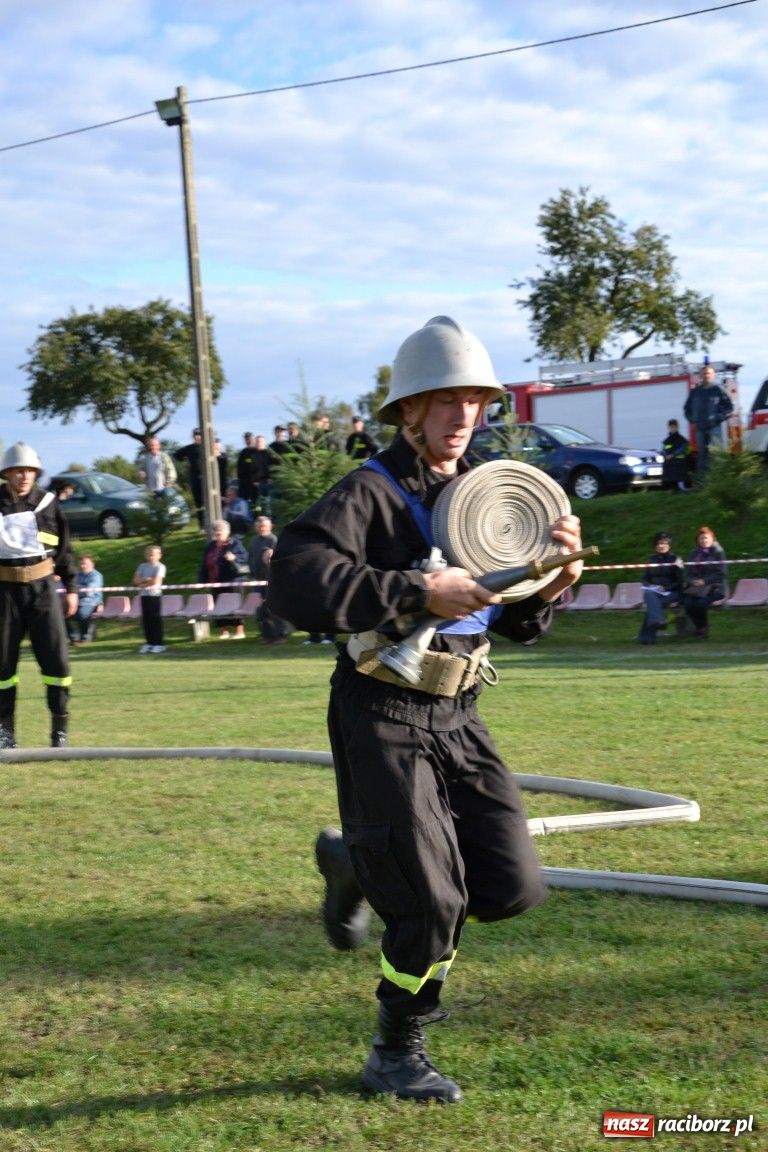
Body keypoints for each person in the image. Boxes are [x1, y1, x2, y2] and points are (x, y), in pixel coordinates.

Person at [267, 315, 585, 1103]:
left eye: (475, 402)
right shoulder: (368, 493)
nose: (462, 418)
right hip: (381, 708)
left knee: (509, 886)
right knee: (432, 899)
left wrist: (550, 580)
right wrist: (415, 589)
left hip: (459, 712)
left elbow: (511, 617)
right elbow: (295, 582)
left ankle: (356, 862)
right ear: (408, 410)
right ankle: (395, 1049)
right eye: (445, 402)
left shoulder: (487, 494)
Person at [0, 442, 77, 748]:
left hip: (43, 590)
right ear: (6, 473)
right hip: (4, 593)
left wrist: (71, 588)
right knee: (2, 667)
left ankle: (59, 729)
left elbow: (65, 548)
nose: (24, 476)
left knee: (56, 662)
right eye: (18, 471)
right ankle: (5, 731)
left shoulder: (48, 503)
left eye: (30, 471)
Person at [200, 519, 249, 639]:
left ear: (227, 532)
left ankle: (239, 631)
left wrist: (234, 557)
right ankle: (224, 631)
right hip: (215, 581)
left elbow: (245, 557)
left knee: (235, 605)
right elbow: (204, 564)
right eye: (216, 531)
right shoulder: (210, 546)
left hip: (233, 581)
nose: (218, 533)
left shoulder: (235, 543)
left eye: (220, 531)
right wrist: (202, 580)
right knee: (219, 606)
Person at [683, 364, 733, 476]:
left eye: (709, 373)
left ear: (713, 375)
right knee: (702, 456)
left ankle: (720, 480)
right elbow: (686, 409)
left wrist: (718, 418)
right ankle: (703, 483)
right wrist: (693, 420)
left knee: (717, 454)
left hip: (714, 427)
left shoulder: (718, 390)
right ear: (700, 375)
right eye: (704, 373)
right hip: (700, 429)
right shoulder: (695, 392)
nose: (706, 376)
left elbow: (729, 408)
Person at [248, 515, 292, 644]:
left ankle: (282, 634)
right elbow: (250, 558)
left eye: (264, 526)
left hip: (272, 579)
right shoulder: (254, 541)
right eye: (260, 526)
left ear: (270, 527)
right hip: (258, 580)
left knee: (276, 608)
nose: (262, 528)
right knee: (261, 609)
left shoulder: (274, 540)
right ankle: (267, 635)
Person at [637, 532, 684, 645]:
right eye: (659, 543)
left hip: (673, 592)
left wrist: (666, 588)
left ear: (669, 545)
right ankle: (658, 621)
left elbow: (681, 580)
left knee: (653, 604)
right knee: (649, 595)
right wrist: (651, 586)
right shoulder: (650, 559)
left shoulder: (676, 559)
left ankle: (646, 637)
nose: (661, 546)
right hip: (654, 592)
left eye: (664, 543)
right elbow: (645, 579)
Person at [682, 526, 727, 639]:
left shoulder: (718, 551)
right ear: (698, 540)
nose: (704, 541)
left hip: (715, 588)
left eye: (706, 538)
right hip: (696, 588)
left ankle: (703, 628)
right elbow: (688, 573)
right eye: (701, 538)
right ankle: (700, 627)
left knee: (700, 603)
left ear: (712, 539)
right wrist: (693, 581)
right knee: (687, 603)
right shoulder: (694, 553)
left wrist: (705, 581)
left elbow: (722, 573)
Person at [132, 544, 166, 654]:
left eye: (153, 555)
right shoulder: (142, 566)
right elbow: (135, 581)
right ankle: (149, 643)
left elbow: (155, 581)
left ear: (159, 555)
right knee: (146, 621)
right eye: (149, 555)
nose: (151, 557)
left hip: (155, 596)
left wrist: (144, 581)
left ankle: (158, 644)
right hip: (144, 596)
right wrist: (145, 581)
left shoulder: (160, 567)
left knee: (155, 620)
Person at [67, 554, 104, 644]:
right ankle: (73, 638)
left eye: (85, 563)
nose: (83, 566)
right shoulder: (78, 575)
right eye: (81, 564)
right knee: (62, 615)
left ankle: (85, 637)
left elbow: (89, 592)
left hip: (91, 602)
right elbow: (71, 587)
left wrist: (76, 590)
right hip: (77, 602)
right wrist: (78, 589)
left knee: (82, 615)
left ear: (92, 564)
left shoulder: (96, 576)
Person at [174, 428, 204, 527]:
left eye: (199, 434)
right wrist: (185, 459)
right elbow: (176, 455)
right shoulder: (189, 448)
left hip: (207, 478)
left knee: (209, 501)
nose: (197, 436)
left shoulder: (206, 447)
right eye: (195, 435)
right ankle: (202, 526)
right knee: (198, 502)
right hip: (195, 478)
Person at [661, 419, 691, 492]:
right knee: (669, 474)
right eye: (671, 427)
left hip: (680, 461)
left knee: (680, 476)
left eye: (674, 427)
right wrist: (665, 455)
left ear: (678, 427)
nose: (673, 429)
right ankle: (673, 488)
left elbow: (683, 449)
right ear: (668, 428)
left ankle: (681, 487)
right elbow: (663, 449)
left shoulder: (682, 439)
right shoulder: (667, 440)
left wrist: (673, 455)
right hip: (670, 461)